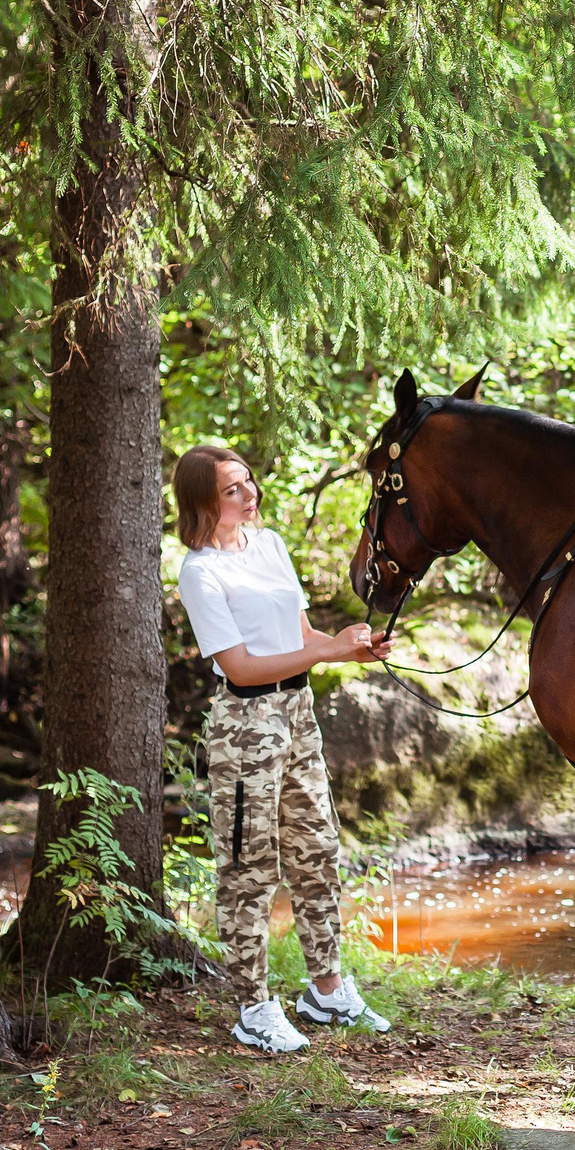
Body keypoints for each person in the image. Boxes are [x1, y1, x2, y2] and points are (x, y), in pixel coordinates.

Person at [172, 442, 394, 1053]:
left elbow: (300, 636)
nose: (250, 496)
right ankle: (254, 1008)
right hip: (245, 724)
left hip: (298, 713)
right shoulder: (200, 571)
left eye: (249, 483)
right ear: (202, 503)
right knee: (250, 868)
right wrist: (327, 651)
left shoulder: (268, 546)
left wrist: (348, 646)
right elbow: (240, 668)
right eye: (232, 490)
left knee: (318, 851)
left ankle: (326, 992)